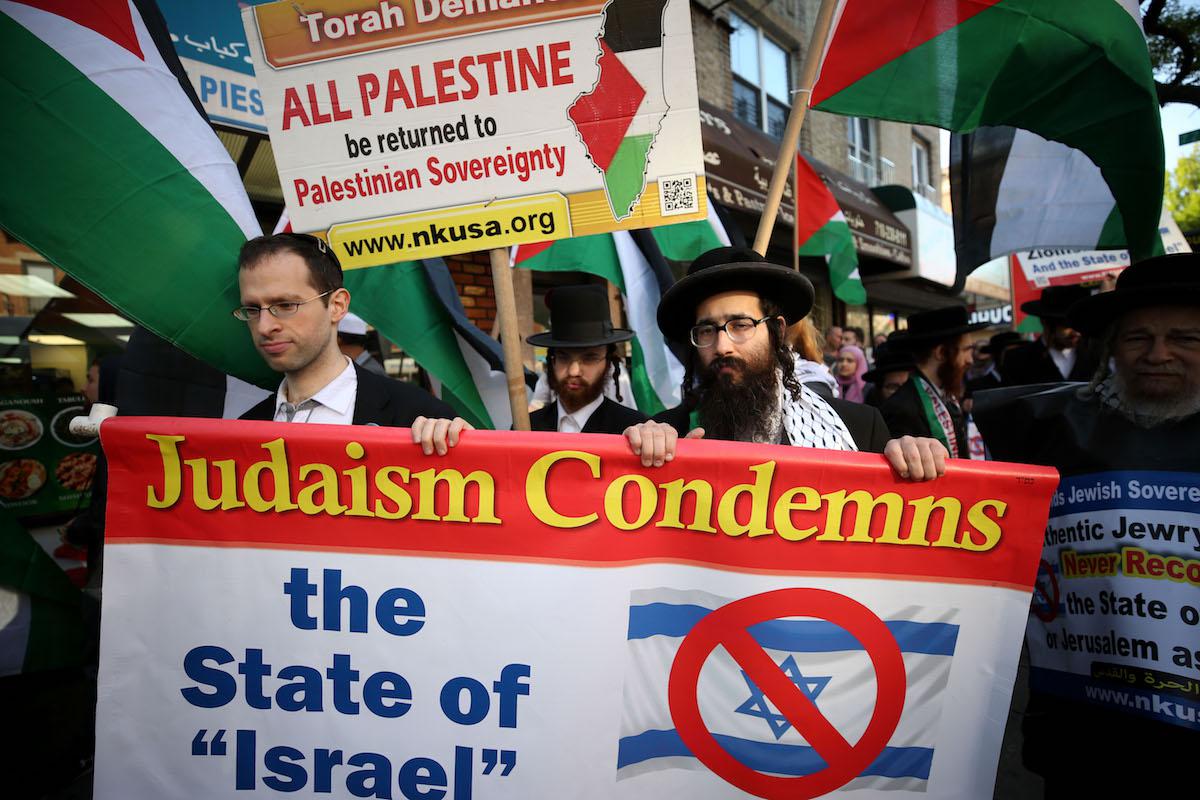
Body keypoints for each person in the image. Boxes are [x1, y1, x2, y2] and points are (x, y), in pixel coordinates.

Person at [974, 254, 1200, 797]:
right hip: (1086, 739)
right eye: (1138, 337)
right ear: (1112, 347)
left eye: (1184, 339)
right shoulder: (1047, 430)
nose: (1158, 354)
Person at [621, 247, 948, 479]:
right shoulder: (670, 436)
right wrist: (643, 456)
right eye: (707, 330)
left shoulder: (860, 427)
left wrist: (913, 455)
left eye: (740, 325)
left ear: (777, 331)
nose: (722, 346)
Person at [235, 233, 466, 454]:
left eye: (286, 305)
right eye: (252, 309)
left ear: (337, 306)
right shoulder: (241, 431)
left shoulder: (419, 418)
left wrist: (467, 449)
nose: (264, 327)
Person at [525, 285, 647, 434]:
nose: (574, 371)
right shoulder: (527, 428)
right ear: (552, 360)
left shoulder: (631, 431)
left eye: (589, 358)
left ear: (608, 363)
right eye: (563, 357)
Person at [880, 306, 987, 458]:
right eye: (965, 350)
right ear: (941, 353)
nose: (970, 360)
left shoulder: (947, 396)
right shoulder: (901, 409)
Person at [1002, 285, 1097, 385]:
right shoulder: (1017, 360)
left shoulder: (1095, 356)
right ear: (1045, 322)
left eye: (1080, 325)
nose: (1077, 332)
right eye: (1068, 325)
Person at [862, 342, 915, 407]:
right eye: (893, 387)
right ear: (879, 390)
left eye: (907, 386)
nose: (902, 394)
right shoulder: (871, 405)